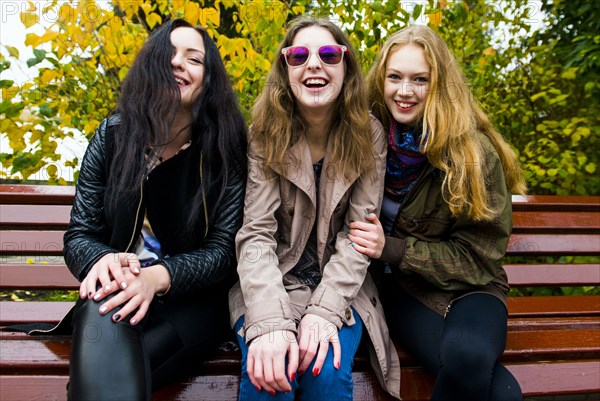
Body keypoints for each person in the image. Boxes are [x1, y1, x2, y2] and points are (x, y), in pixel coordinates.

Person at [62, 19, 247, 400]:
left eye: (193, 59)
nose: (178, 63)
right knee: (106, 352)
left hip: (191, 301)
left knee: (107, 374)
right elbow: (80, 234)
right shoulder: (113, 135)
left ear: (207, 81)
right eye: (168, 55)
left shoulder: (225, 149)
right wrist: (104, 261)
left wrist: (157, 278)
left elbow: (224, 252)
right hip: (114, 289)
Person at [349, 25, 527, 401]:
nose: (404, 91)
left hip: (471, 289)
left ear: (440, 83)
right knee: (503, 394)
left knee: (468, 356)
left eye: (420, 79)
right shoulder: (364, 138)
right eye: (395, 77)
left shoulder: (472, 155)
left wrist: (394, 249)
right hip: (403, 291)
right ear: (381, 78)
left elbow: (479, 257)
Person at [229, 16, 400, 401]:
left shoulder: (368, 134)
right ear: (285, 69)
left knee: (325, 372)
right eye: (299, 55)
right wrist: (272, 321)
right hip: (272, 282)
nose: (314, 65)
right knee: (269, 376)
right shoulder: (265, 132)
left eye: (328, 54)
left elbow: (359, 235)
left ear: (346, 67)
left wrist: (324, 312)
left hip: (342, 288)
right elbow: (256, 234)